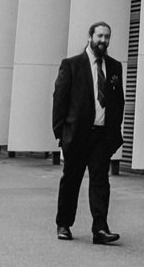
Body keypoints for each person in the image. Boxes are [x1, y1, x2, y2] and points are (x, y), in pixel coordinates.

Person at [51, 20, 124, 244]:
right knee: (71, 180)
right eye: (100, 36)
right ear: (90, 37)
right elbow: (60, 100)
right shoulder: (71, 64)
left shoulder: (114, 67)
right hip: (76, 136)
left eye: (107, 37)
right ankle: (64, 224)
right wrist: (61, 134)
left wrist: (114, 134)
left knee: (101, 182)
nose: (103, 41)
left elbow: (118, 102)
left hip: (101, 137)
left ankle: (100, 229)